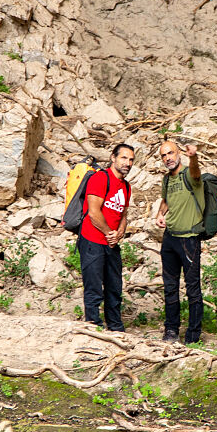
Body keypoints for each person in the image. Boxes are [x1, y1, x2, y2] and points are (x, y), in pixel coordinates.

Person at [79, 142, 135, 332]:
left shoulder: (126, 186)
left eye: (131, 159)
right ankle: (93, 326)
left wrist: (119, 232)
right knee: (93, 286)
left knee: (114, 287)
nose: (127, 163)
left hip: (111, 243)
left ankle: (116, 327)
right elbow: (94, 212)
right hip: (92, 240)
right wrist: (108, 233)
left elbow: (123, 214)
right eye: (124, 158)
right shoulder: (100, 178)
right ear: (113, 157)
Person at [154, 137, 204, 343]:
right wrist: (160, 214)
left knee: (192, 288)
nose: (167, 158)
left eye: (170, 153)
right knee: (170, 286)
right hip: (170, 239)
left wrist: (194, 158)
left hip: (189, 240)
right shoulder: (167, 179)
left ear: (179, 153)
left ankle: (193, 336)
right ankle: (171, 330)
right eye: (163, 155)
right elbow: (166, 200)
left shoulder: (189, 174)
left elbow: (196, 174)